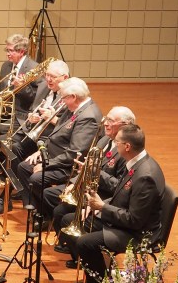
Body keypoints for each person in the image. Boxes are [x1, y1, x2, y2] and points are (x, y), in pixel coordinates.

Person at [61, 124, 164, 283]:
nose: (114, 145)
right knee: (70, 221)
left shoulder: (145, 176)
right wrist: (97, 206)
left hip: (138, 233)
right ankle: (94, 281)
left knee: (86, 242)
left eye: (117, 142)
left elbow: (135, 220)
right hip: (123, 221)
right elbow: (121, 194)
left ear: (127, 146)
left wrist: (102, 207)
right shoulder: (135, 163)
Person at [52, 106, 135, 256]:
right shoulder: (104, 139)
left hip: (103, 196)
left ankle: (80, 254)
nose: (106, 123)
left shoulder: (125, 151)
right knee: (57, 207)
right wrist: (75, 183)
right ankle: (71, 246)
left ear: (125, 125)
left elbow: (119, 186)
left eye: (111, 121)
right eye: (106, 118)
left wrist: (96, 171)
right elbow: (88, 165)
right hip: (90, 188)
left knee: (64, 215)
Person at [14, 77, 101, 216]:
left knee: (36, 178)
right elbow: (56, 133)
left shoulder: (88, 117)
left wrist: (46, 164)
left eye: (63, 97)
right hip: (55, 156)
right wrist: (41, 151)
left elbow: (74, 153)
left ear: (73, 97)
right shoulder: (72, 108)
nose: (62, 101)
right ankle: (36, 209)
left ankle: (47, 214)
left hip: (68, 165)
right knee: (23, 167)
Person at [0, 34, 39, 125]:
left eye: (11, 51)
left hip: (21, 115)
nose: (7, 54)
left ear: (21, 52)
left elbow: (35, 97)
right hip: (4, 110)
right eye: (7, 50)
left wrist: (22, 86)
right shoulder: (6, 66)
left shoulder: (34, 68)